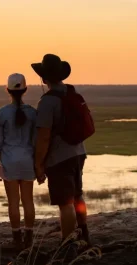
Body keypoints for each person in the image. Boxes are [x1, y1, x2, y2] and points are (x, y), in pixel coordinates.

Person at [31, 54, 90, 244]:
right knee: (77, 195)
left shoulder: (47, 102)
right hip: (78, 152)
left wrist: (39, 165)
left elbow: (44, 136)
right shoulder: (71, 93)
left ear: (44, 78)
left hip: (59, 158)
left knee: (65, 203)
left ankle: (68, 243)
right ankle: (83, 233)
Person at [0, 73, 37, 250]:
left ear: (8, 90)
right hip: (28, 161)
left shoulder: (2, 113)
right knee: (28, 200)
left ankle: (16, 237)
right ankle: (29, 236)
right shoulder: (33, 113)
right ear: (25, 90)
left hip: (9, 161)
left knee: (13, 202)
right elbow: (36, 141)